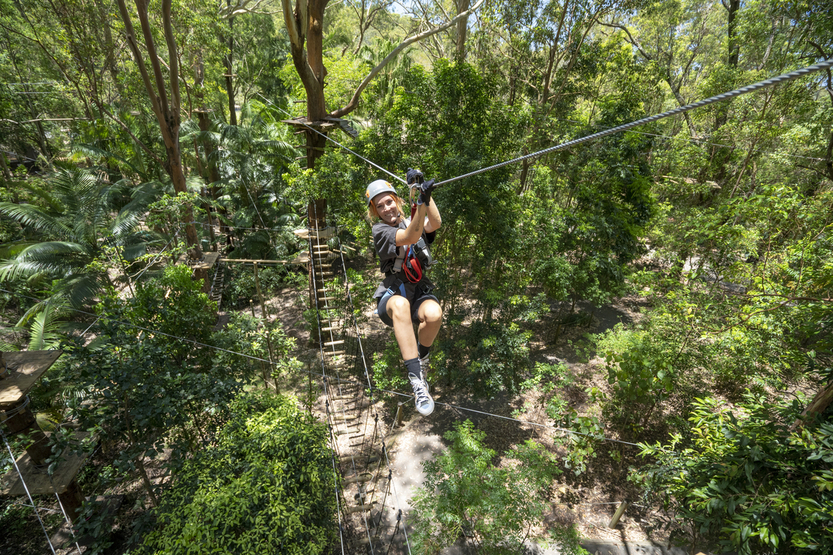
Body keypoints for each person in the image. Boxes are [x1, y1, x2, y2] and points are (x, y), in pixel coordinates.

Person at [366, 170, 442, 416]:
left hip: (418, 289)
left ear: (397, 200)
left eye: (389, 201)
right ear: (375, 212)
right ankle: (417, 381)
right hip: (393, 293)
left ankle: (422, 358)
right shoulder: (381, 231)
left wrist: (425, 196)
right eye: (380, 206)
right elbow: (411, 236)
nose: (386, 208)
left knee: (434, 314)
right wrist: (420, 203)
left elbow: (435, 223)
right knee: (399, 305)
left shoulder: (412, 219)